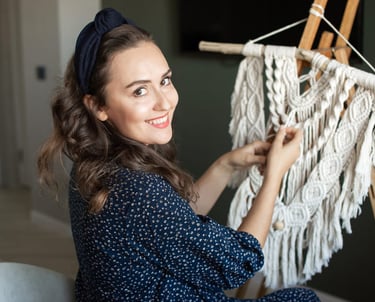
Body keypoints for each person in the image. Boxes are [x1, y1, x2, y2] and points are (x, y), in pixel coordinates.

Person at [37, 7, 320, 302]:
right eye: (139, 91)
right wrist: (274, 174)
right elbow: (240, 260)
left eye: (165, 80)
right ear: (98, 106)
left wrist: (226, 165)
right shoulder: (139, 191)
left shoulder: (92, 165)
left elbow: (173, 228)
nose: (164, 102)